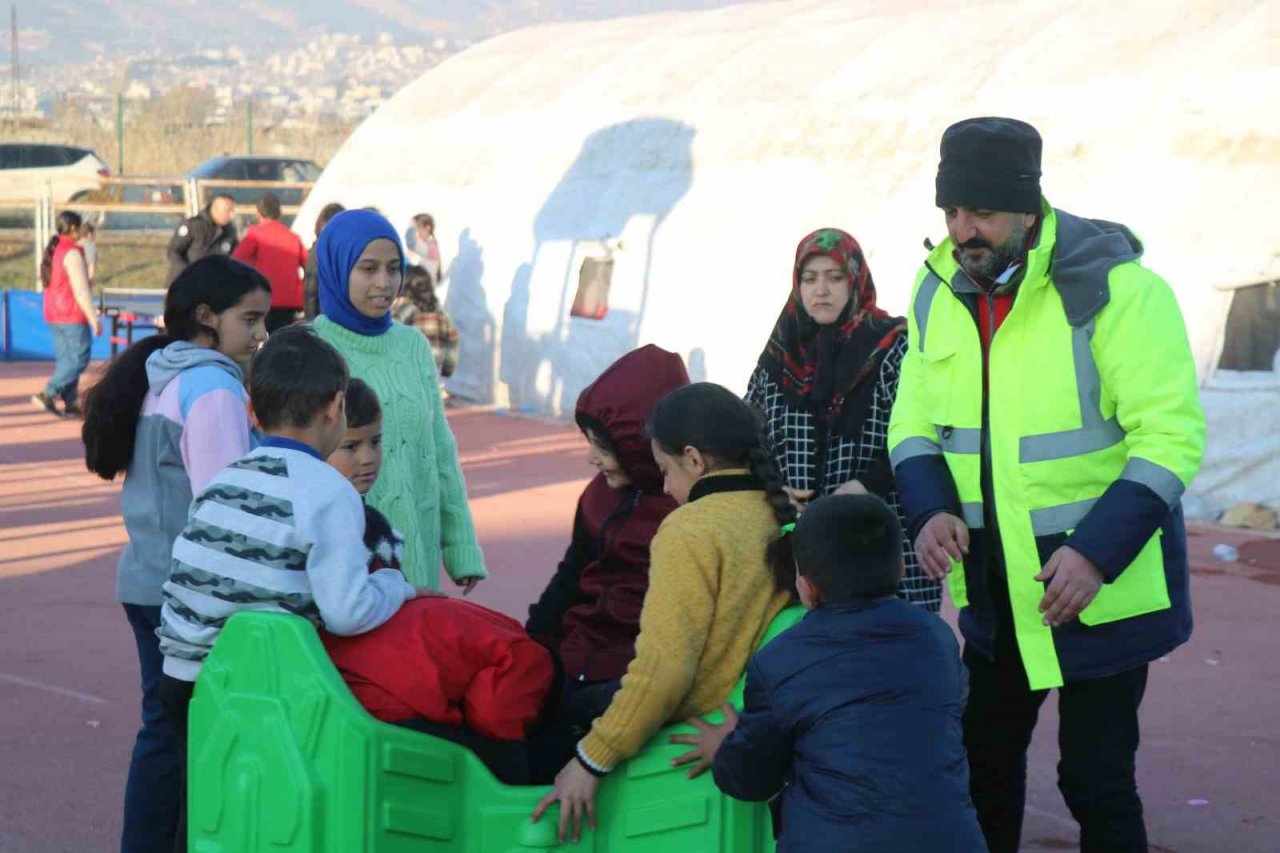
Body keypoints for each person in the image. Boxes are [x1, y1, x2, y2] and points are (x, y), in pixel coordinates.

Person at [888, 117, 1206, 853]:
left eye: (982, 212)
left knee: (1095, 779)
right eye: (951, 211)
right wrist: (930, 507)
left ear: (1028, 210)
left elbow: (1172, 435)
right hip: (996, 587)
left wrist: (1096, 552)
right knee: (980, 768)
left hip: (1102, 587)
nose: (963, 230)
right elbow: (912, 418)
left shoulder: (1119, 290)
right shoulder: (935, 286)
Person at [156, 325, 421, 850]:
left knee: (211, 804)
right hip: (258, 687)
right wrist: (394, 587)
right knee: (282, 811)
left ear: (253, 413)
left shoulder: (224, 480)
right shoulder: (326, 490)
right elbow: (348, 611)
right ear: (336, 407)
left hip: (184, 680)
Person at [531, 382, 795, 844]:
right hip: (736, 713)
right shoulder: (777, 514)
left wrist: (591, 759)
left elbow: (666, 669)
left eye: (664, 470)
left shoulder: (689, 529)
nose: (667, 487)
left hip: (683, 724)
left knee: (545, 711)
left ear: (695, 460)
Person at [81, 255, 271, 853]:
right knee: (182, 739)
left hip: (149, 582)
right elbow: (225, 506)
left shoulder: (163, 374)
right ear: (207, 317)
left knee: (164, 734)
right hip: (184, 595)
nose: (262, 334)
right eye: (252, 319)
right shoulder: (211, 387)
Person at [670, 494, 986, 852]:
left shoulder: (778, 660)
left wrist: (727, 748)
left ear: (806, 587)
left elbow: (751, 780)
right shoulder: (936, 637)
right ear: (901, 567)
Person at [319, 378, 555, 784]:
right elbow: (355, 611)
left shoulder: (371, 521)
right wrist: (403, 591)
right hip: (378, 684)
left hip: (386, 672)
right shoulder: (336, 522)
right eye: (351, 446)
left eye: (375, 443)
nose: (367, 458)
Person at [746, 227, 939, 612]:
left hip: (881, 527)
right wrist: (774, 490)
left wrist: (866, 485)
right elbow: (749, 435)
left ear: (856, 281)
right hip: (801, 534)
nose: (821, 290)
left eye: (835, 278)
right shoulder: (781, 351)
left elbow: (923, 428)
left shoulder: (894, 345)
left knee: (890, 644)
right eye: (810, 278)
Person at [524, 344, 690, 773]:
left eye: (604, 447)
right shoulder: (599, 495)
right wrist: (535, 642)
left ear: (640, 444)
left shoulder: (682, 511)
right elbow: (572, 573)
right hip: (575, 659)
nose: (591, 457)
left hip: (629, 675)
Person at [312, 208, 486, 591]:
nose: (385, 282)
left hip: (416, 552)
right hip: (344, 566)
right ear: (337, 268)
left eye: (394, 268)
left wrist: (460, 545)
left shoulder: (414, 346)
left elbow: (439, 448)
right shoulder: (309, 349)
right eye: (368, 269)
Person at [33, 210, 100, 417]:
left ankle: (71, 402)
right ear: (73, 228)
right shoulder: (72, 252)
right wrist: (93, 318)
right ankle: (48, 393)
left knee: (66, 359)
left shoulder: (55, 250)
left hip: (53, 312)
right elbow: (80, 289)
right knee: (80, 357)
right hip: (71, 313)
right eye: (79, 227)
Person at [232, 192, 308, 332]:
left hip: (263, 299)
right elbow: (309, 265)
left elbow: (236, 262)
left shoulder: (255, 235)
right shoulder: (293, 237)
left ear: (258, 213)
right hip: (290, 301)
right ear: (279, 213)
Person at [392, 265, 459, 378]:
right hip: (432, 369)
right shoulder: (441, 312)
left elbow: (389, 333)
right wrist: (447, 369)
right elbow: (453, 339)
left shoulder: (407, 308)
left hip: (408, 369)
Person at [165, 194, 238, 286]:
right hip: (184, 283)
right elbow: (174, 251)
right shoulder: (194, 226)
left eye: (233, 211)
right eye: (228, 211)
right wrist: (187, 271)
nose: (232, 215)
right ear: (215, 209)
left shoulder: (230, 232)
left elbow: (235, 256)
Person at [303, 202, 345, 320]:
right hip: (327, 323)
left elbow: (310, 294)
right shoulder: (324, 251)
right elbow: (312, 293)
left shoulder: (317, 251)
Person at [405, 212, 442, 281]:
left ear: (427, 228)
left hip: (422, 286)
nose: (416, 232)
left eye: (417, 228)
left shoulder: (430, 246)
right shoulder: (430, 243)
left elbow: (410, 243)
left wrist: (411, 227)